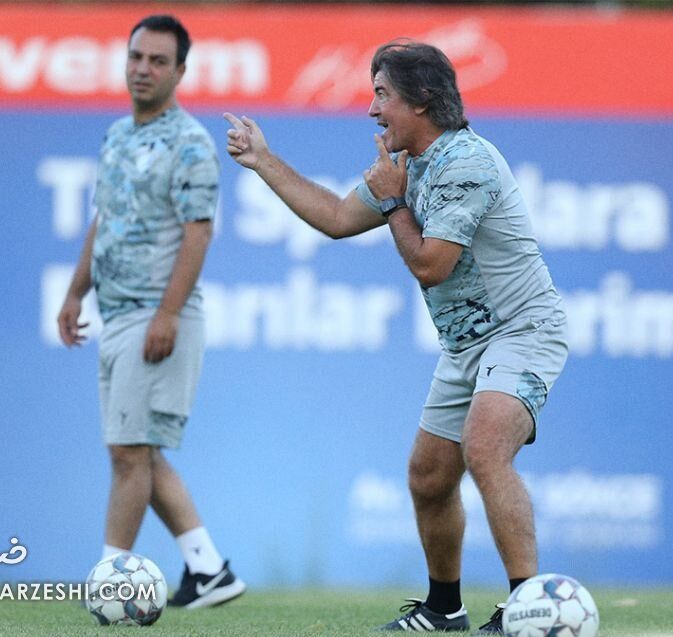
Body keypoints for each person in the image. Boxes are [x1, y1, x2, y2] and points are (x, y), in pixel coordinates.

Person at [224, 40, 568, 633]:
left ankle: (530, 607)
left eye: (382, 94)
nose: (372, 108)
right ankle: (444, 609)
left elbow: (431, 264)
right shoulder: (409, 165)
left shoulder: (466, 162)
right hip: (465, 347)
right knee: (429, 478)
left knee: (485, 448)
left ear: (422, 99)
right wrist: (263, 160)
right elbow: (336, 218)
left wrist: (391, 201)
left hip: (523, 330)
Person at [57, 14, 244, 610]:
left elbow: (198, 231)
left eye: (158, 61)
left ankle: (110, 581)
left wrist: (167, 313)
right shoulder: (117, 135)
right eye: (136, 57)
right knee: (137, 448)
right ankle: (208, 569)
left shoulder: (190, 143)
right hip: (118, 315)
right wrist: (75, 291)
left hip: (156, 316)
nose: (143, 69)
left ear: (180, 72)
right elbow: (104, 218)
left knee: (128, 454)